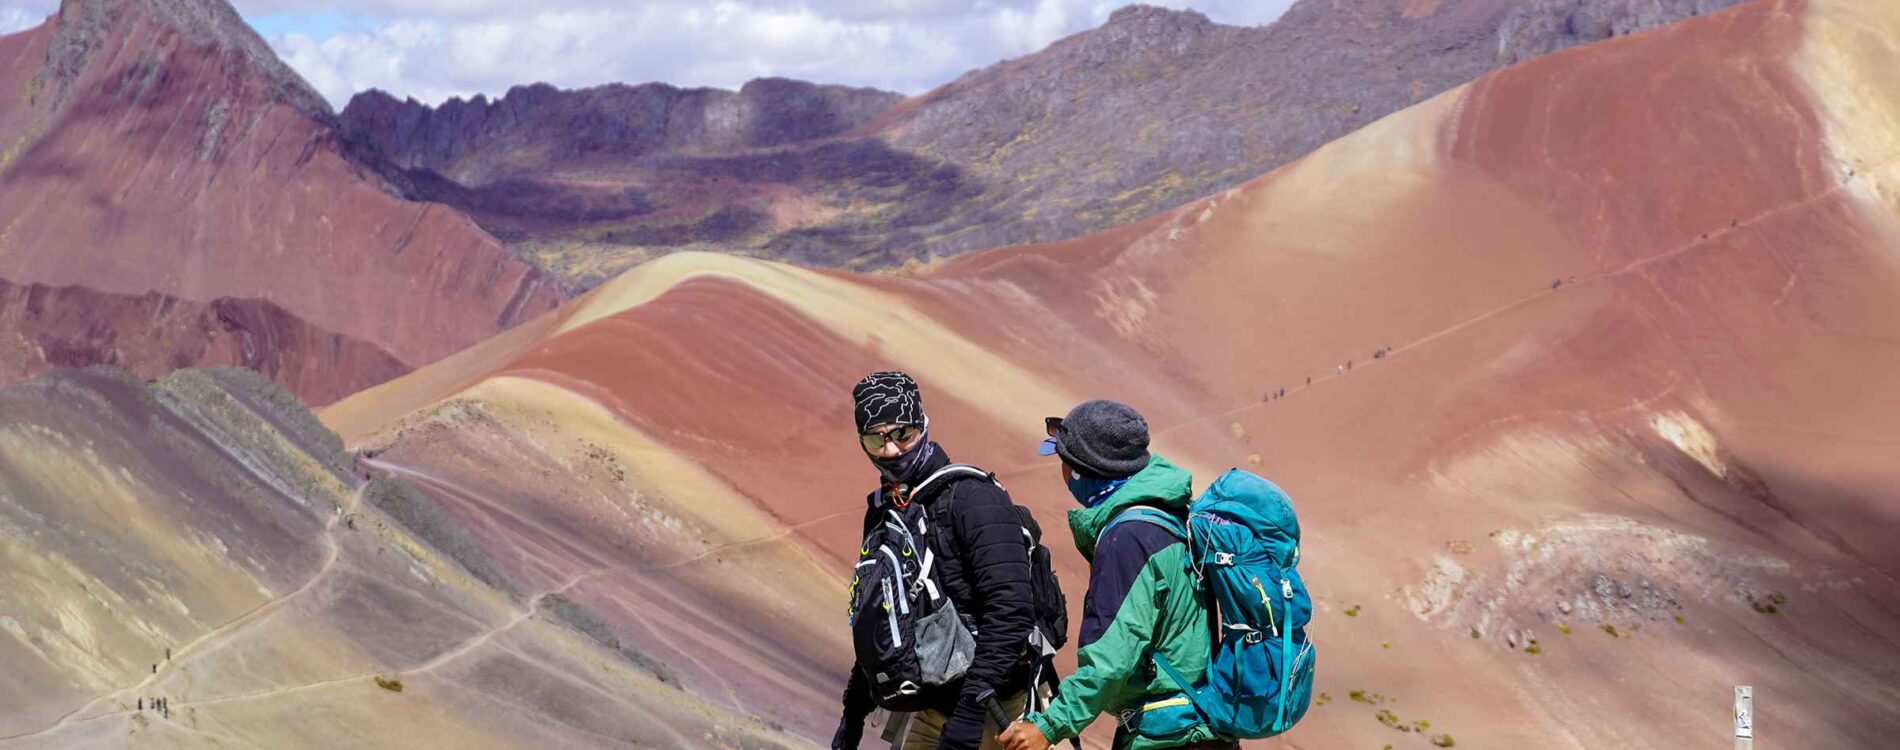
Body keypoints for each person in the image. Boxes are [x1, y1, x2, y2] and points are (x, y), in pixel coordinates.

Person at [1000, 400, 1233, 750]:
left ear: (1082, 470)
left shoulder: (1128, 538)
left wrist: (1048, 726)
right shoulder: (1168, 511)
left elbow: (1111, 656)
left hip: (1166, 736)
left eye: (1063, 461)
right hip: (1200, 722)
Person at [833, 372, 1040, 750]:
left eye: (902, 434)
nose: (891, 450)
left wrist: (969, 716)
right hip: (932, 708)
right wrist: (854, 709)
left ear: (923, 425)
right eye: (875, 439)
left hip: (999, 711)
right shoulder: (886, 510)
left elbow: (1011, 613)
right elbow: (883, 616)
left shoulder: (973, 499)